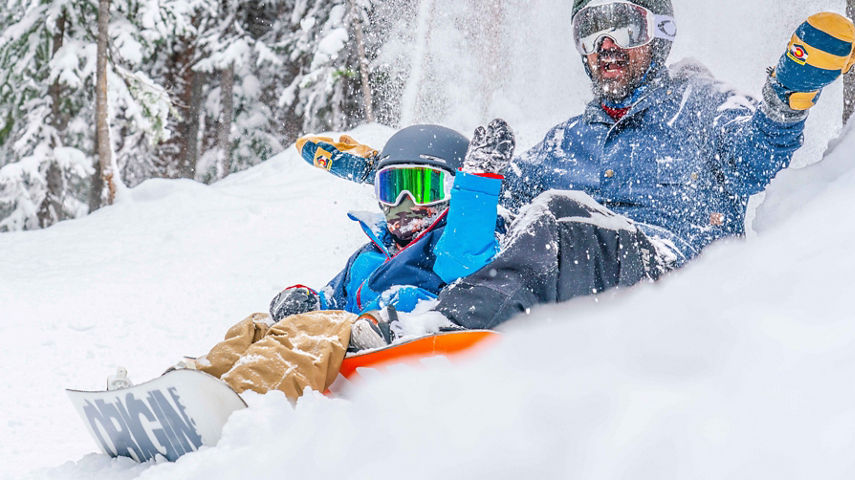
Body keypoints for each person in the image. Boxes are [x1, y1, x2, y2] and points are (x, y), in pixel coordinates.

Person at [308, 1, 855, 330]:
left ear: (657, 35)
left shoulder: (702, 103)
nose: (607, 45)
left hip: (671, 278)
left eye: (624, 28)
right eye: (591, 33)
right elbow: (487, 190)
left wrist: (786, 97)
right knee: (508, 227)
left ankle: (439, 324)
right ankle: (373, 315)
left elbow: (754, 159)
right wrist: (386, 168)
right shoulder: (567, 140)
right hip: (579, 288)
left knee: (559, 219)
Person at [107, 123, 514, 400]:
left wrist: (478, 185)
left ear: (454, 192)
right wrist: (306, 300)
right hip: (340, 335)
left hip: (399, 333)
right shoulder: (371, 253)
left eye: (421, 187)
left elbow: (465, 264)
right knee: (257, 326)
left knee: (311, 331)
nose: (403, 204)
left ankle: (238, 401)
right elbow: (331, 297)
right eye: (392, 189)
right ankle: (185, 389)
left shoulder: (448, 244)